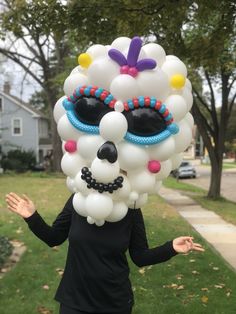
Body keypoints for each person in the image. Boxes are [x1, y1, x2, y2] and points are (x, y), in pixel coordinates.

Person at [5, 192, 204, 314]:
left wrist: (171, 248)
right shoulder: (78, 201)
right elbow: (54, 237)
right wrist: (32, 217)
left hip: (114, 302)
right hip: (75, 300)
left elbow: (140, 256)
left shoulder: (131, 210)